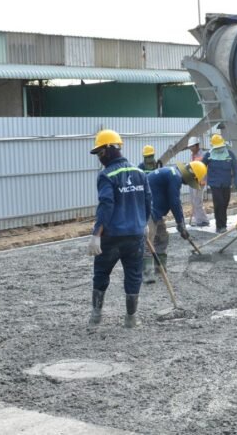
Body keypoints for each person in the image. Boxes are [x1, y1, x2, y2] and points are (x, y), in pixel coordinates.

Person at [87, 129, 152, 329]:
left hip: (112, 236)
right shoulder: (140, 173)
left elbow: (106, 204)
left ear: (109, 149)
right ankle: (131, 319)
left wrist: (96, 234)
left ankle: (96, 316)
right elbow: (148, 200)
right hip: (135, 236)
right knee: (134, 275)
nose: (100, 158)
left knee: (101, 273)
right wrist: (145, 223)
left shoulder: (106, 175)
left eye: (100, 153)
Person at [144, 161, 208, 283]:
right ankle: (147, 274)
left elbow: (173, 201)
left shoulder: (173, 173)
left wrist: (181, 224)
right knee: (149, 242)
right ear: (192, 175)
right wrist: (180, 224)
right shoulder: (175, 177)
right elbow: (175, 202)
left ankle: (160, 269)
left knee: (162, 238)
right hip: (147, 209)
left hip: (155, 211)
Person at [202, 134, 237, 233]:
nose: (219, 149)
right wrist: (197, 177)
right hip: (215, 184)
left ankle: (223, 224)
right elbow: (201, 167)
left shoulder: (229, 154)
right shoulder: (209, 155)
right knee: (219, 203)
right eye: (217, 147)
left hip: (226, 183)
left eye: (220, 146)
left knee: (225, 204)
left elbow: (236, 168)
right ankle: (220, 226)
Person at [187, 137, 210, 227]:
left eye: (192, 147)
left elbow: (205, 168)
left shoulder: (203, 155)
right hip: (192, 180)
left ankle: (203, 220)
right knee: (193, 201)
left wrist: (203, 180)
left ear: (197, 146)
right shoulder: (192, 155)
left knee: (197, 201)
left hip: (200, 181)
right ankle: (198, 220)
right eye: (190, 147)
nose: (191, 149)